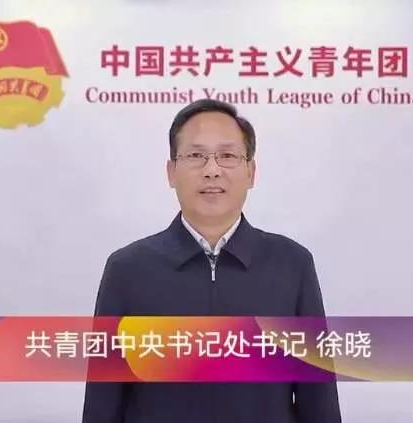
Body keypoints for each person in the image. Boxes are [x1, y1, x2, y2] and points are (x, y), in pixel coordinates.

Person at [82, 99, 341, 423]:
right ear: (171, 172)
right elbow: (103, 401)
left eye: (227, 156)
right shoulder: (127, 269)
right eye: (195, 156)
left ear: (251, 172)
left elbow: (318, 399)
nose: (212, 170)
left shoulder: (292, 264)